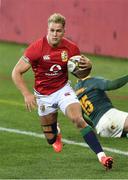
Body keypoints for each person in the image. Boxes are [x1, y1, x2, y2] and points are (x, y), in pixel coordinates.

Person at [12, 13, 113, 170]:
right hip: (43, 96)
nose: (54, 34)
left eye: (58, 31)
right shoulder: (36, 48)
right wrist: (26, 94)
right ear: (47, 29)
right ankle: (56, 132)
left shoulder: (71, 48)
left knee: (78, 119)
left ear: (64, 31)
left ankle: (102, 156)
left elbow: (82, 74)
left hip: (63, 89)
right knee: (50, 139)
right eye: (52, 30)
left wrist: (89, 65)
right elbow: (16, 72)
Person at [75, 71, 128, 138]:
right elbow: (113, 85)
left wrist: (94, 126)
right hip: (110, 117)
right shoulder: (92, 81)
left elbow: (81, 116)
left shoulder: (76, 90)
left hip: (100, 129)